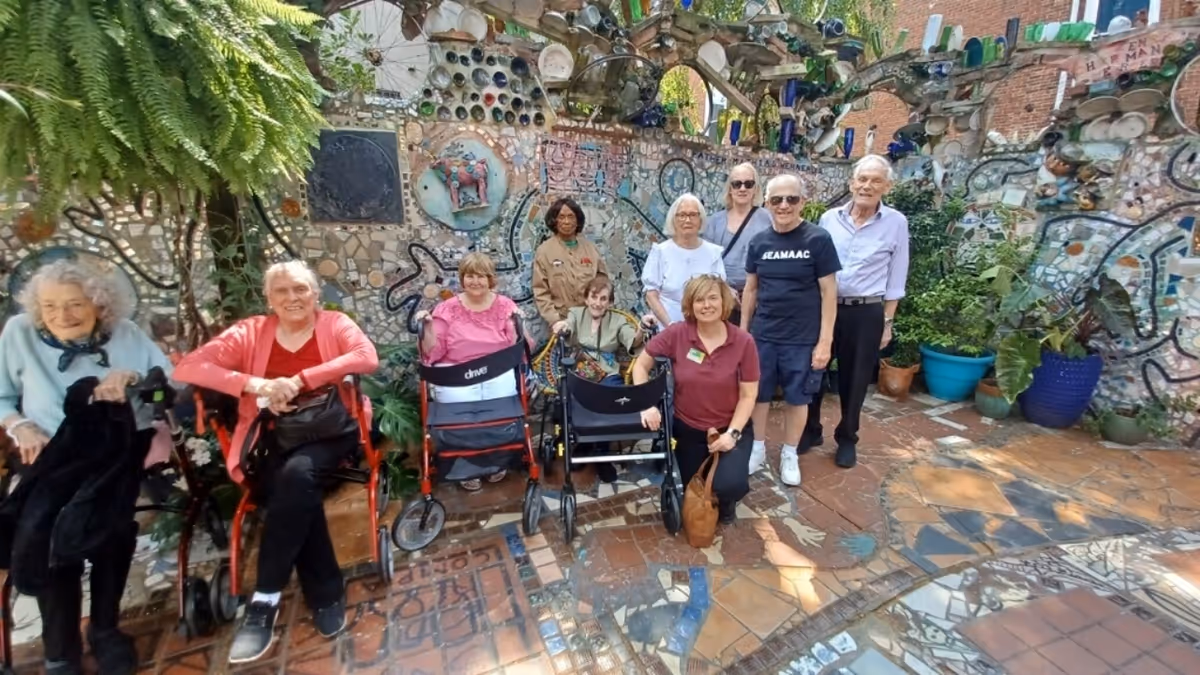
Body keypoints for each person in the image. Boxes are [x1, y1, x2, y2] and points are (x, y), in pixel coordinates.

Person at [173, 260, 379, 664]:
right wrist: (257, 385)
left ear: (315, 294)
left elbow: (365, 357)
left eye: (301, 289)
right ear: (269, 298)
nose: (292, 298)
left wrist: (300, 381)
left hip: (328, 432)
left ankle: (264, 601)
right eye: (282, 291)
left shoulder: (334, 324)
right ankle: (327, 594)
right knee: (294, 488)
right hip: (267, 436)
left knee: (298, 474)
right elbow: (189, 366)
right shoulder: (252, 331)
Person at [0, 260, 173, 675]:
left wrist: (133, 381)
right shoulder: (18, 334)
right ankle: (60, 648)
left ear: (98, 305)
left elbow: (165, 397)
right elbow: (2, 397)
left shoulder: (127, 336)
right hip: (48, 456)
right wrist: (20, 425)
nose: (63, 315)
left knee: (111, 530)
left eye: (75, 304)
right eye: (51, 305)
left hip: (116, 454)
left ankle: (105, 630)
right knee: (52, 536)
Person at [805, 155, 910, 468]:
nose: (867, 186)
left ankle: (847, 437)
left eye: (875, 180)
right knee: (814, 370)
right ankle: (811, 430)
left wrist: (887, 323)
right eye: (862, 179)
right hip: (825, 308)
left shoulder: (896, 223)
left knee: (856, 379)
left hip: (866, 312)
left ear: (886, 186)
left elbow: (897, 277)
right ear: (852, 183)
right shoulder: (828, 219)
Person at [740, 174, 841, 487]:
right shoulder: (758, 242)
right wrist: (743, 334)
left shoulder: (818, 239)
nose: (784, 205)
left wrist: (825, 342)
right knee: (758, 396)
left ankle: (789, 454)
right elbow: (751, 290)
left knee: (798, 399)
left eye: (791, 199)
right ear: (767, 203)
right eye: (776, 200)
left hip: (802, 338)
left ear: (802, 203)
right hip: (763, 335)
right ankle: (756, 449)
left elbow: (829, 292)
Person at [633, 275, 758, 523]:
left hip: (729, 427)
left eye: (713, 298)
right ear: (690, 305)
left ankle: (727, 501)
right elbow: (641, 365)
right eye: (699, 299)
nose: (706, 305)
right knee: (694, 489)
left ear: (723, 302)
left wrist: (731, 434)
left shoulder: (743, 342)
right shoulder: (678, 334)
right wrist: (646, 403)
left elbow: (748, 395)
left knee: (729, 485)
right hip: (688, 429)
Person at [415, 252, 528, 491]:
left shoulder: (506, 306)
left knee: (498, 411)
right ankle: (465, 463)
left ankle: (497, 461)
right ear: (462, 278)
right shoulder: (446, 309)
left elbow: (516, 346)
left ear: (490, 279)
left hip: (495, 369)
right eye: (469, 276)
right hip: (457, 371)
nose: (475, 281)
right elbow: (432, 353)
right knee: (462, 417)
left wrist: (518, 325)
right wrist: (427, 328)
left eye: (481, 276)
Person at [551, 275, 654, 482]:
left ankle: (601, 455)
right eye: (594, 297)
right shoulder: (576, 313)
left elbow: (632, 341)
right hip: (580, 370)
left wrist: (642, 327)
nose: (598, 303)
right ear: (587, 298)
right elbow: (568, 325)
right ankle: (581, 442)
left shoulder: (617, 320)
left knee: (609, 401)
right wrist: (562, 325)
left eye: (603, 298)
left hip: (607, 372)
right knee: (566, 397)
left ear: (610, 302)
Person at [702, 163, 773, 326]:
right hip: (721, 298)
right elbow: (707, 261)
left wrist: (755, 293)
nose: (742, 188)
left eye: (748, 184)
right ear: (730, 188)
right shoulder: (715, 222)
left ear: (755, 188)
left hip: (758, 299)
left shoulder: (768, 220)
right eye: (737, 184)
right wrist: (724, 288)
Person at [643, 193, 726, 326]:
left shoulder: (713, 253)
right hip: (667, 328)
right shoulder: (660, 252)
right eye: (682, 215)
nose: (687, 220)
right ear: (673, 220)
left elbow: (720, 294)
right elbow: (651, 294)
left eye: (693, 215)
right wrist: (670, 325)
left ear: (700, 220)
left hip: (704, 329)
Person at [532, 197, 608, 328]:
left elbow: (603, 282)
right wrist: (555, 321)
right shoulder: (544, 251)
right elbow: (541, 291)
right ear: (554, 221)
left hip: (591, 320)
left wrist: (599, 311)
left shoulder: (590, 249)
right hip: (562, 321)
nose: (566, 222)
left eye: (571, 217)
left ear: (577, 221)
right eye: (561, 217)